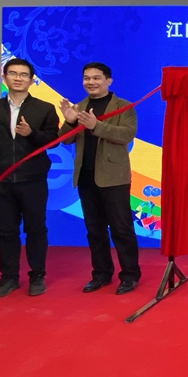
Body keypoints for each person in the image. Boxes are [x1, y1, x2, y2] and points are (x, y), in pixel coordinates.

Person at [0, 58, 59, 298]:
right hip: (1, 180)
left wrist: (32, 133)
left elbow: (52, 141)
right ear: (4, 77)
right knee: (6, 232)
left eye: (23, 74)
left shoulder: (45, 108)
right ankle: (8, 277)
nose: (18, 78)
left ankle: (37, 276)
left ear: (31, 80)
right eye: (13, 73)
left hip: (33, 179)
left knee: (36, 229)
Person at [59, 62, 141, 295]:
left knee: (121, 229)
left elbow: (126, 134)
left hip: (114, 178)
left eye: (96, 78)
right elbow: (64, 139)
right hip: (86, 177)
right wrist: (70, 121)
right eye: (86, 78)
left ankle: (130, 275)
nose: (91, 82)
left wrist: (97, 126)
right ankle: (101, 274)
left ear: (108, 81)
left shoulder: (123, 107)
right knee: (94, 230)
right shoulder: (79, 107)